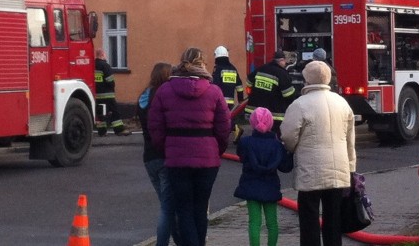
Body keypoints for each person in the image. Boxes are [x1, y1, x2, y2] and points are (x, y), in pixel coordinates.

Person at [148, 47, 232, 246]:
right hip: (208, 159)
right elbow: (224, 127)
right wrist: (216, 150)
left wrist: (166, 149)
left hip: (177, 159)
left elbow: (155, 126)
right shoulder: (214, 91)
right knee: (200, 208)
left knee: (183, 209)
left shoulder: (165, 90)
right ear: (203, 64)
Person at [280, 61, 356, 246]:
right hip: (338, 171)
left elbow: (288, 136)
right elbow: (350, 140)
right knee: (333, 219)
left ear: (307, 79)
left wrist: (292, 149)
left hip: (310, 172)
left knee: (309, 219)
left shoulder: (299, 105)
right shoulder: (342, 103)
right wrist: (351, 167)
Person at [234, 107, 293, 246]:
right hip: (270, 186)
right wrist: (290, 153)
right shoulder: (277, 146)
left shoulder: (245, 142)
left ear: (253, 123)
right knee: (272, 223)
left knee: (254, 222)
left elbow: (242, 157)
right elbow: (285, 167)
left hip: (251, 185)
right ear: (271, 123)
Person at [138, 62, 180, 246]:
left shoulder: (143, 96)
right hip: (164, 155)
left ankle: (181, 241)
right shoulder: (164, 96)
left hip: (149, 157)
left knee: (167, 204)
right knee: (167, 207)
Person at [245, 50, 295, 136]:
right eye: (285, 62)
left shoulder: (261, 68)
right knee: (274, 136)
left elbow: (248, 83)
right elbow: (288, 95)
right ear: (281, 60)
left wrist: (253, 92)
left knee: (257, 134)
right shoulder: (282, 74)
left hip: (254, 111)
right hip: (274, 113)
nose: (286, 64)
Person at [212, 45, 245, 143]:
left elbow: (215, 84)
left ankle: (235, 129)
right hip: (230, 100)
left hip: (219, 99)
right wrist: (240, 100)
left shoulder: (218, 69)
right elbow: (239, 85)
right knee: (226, 117)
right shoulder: (233, 68)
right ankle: (234, 129)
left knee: (220, 119)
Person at [94, 48, 130, 136]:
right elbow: (110, 80)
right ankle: (119, 130)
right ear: (102, 55)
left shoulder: (93, 65)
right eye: (105, 54)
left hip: (97, 95)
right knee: (115, 112)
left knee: (100, 113)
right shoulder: (105, 65)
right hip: (107, 94)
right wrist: (112, 87)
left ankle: (101, 131)